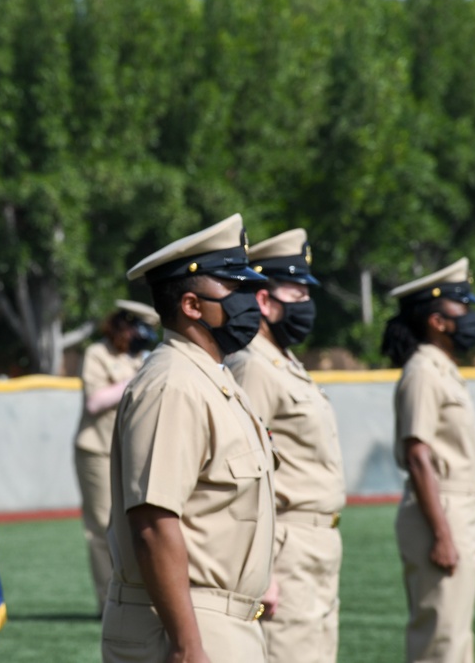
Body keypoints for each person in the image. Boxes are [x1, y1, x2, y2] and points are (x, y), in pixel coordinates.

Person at [102, 213, 276, 663]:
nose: (250, 301)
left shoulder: (211, 378)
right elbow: (154, 522)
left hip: (222, 621)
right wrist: (186, 644)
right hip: (187, 625)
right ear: (192, 305)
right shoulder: (172, 384)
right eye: (235, 289)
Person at [226, 228, 345, 663]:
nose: (306, 305)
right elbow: (246, 476)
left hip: (315, 543)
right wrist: (265, 573)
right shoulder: (252, 365)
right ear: (263, 300)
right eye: (296, 293)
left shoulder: (283, 361)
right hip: (286, 545)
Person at [381, 257, 475, 663]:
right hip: (438, 510)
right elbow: (418, 455)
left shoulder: (442, 369)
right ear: (438, 321)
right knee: (439, 638)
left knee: (455, 636)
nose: (471, 318)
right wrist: (442, 534)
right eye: (464, 308)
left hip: (455, 506)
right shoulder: (423, 371)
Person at [75, 299, 160, 613]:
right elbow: (94, 402)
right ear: (123, 326)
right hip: (97, 450)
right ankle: (108, 603)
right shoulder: (97, 354)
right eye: (140, 328)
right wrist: (134, 381)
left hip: (133, 450)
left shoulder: (144, 357)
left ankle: (137, 597)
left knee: (136, 524)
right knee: (101, 527)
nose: (144, 336)